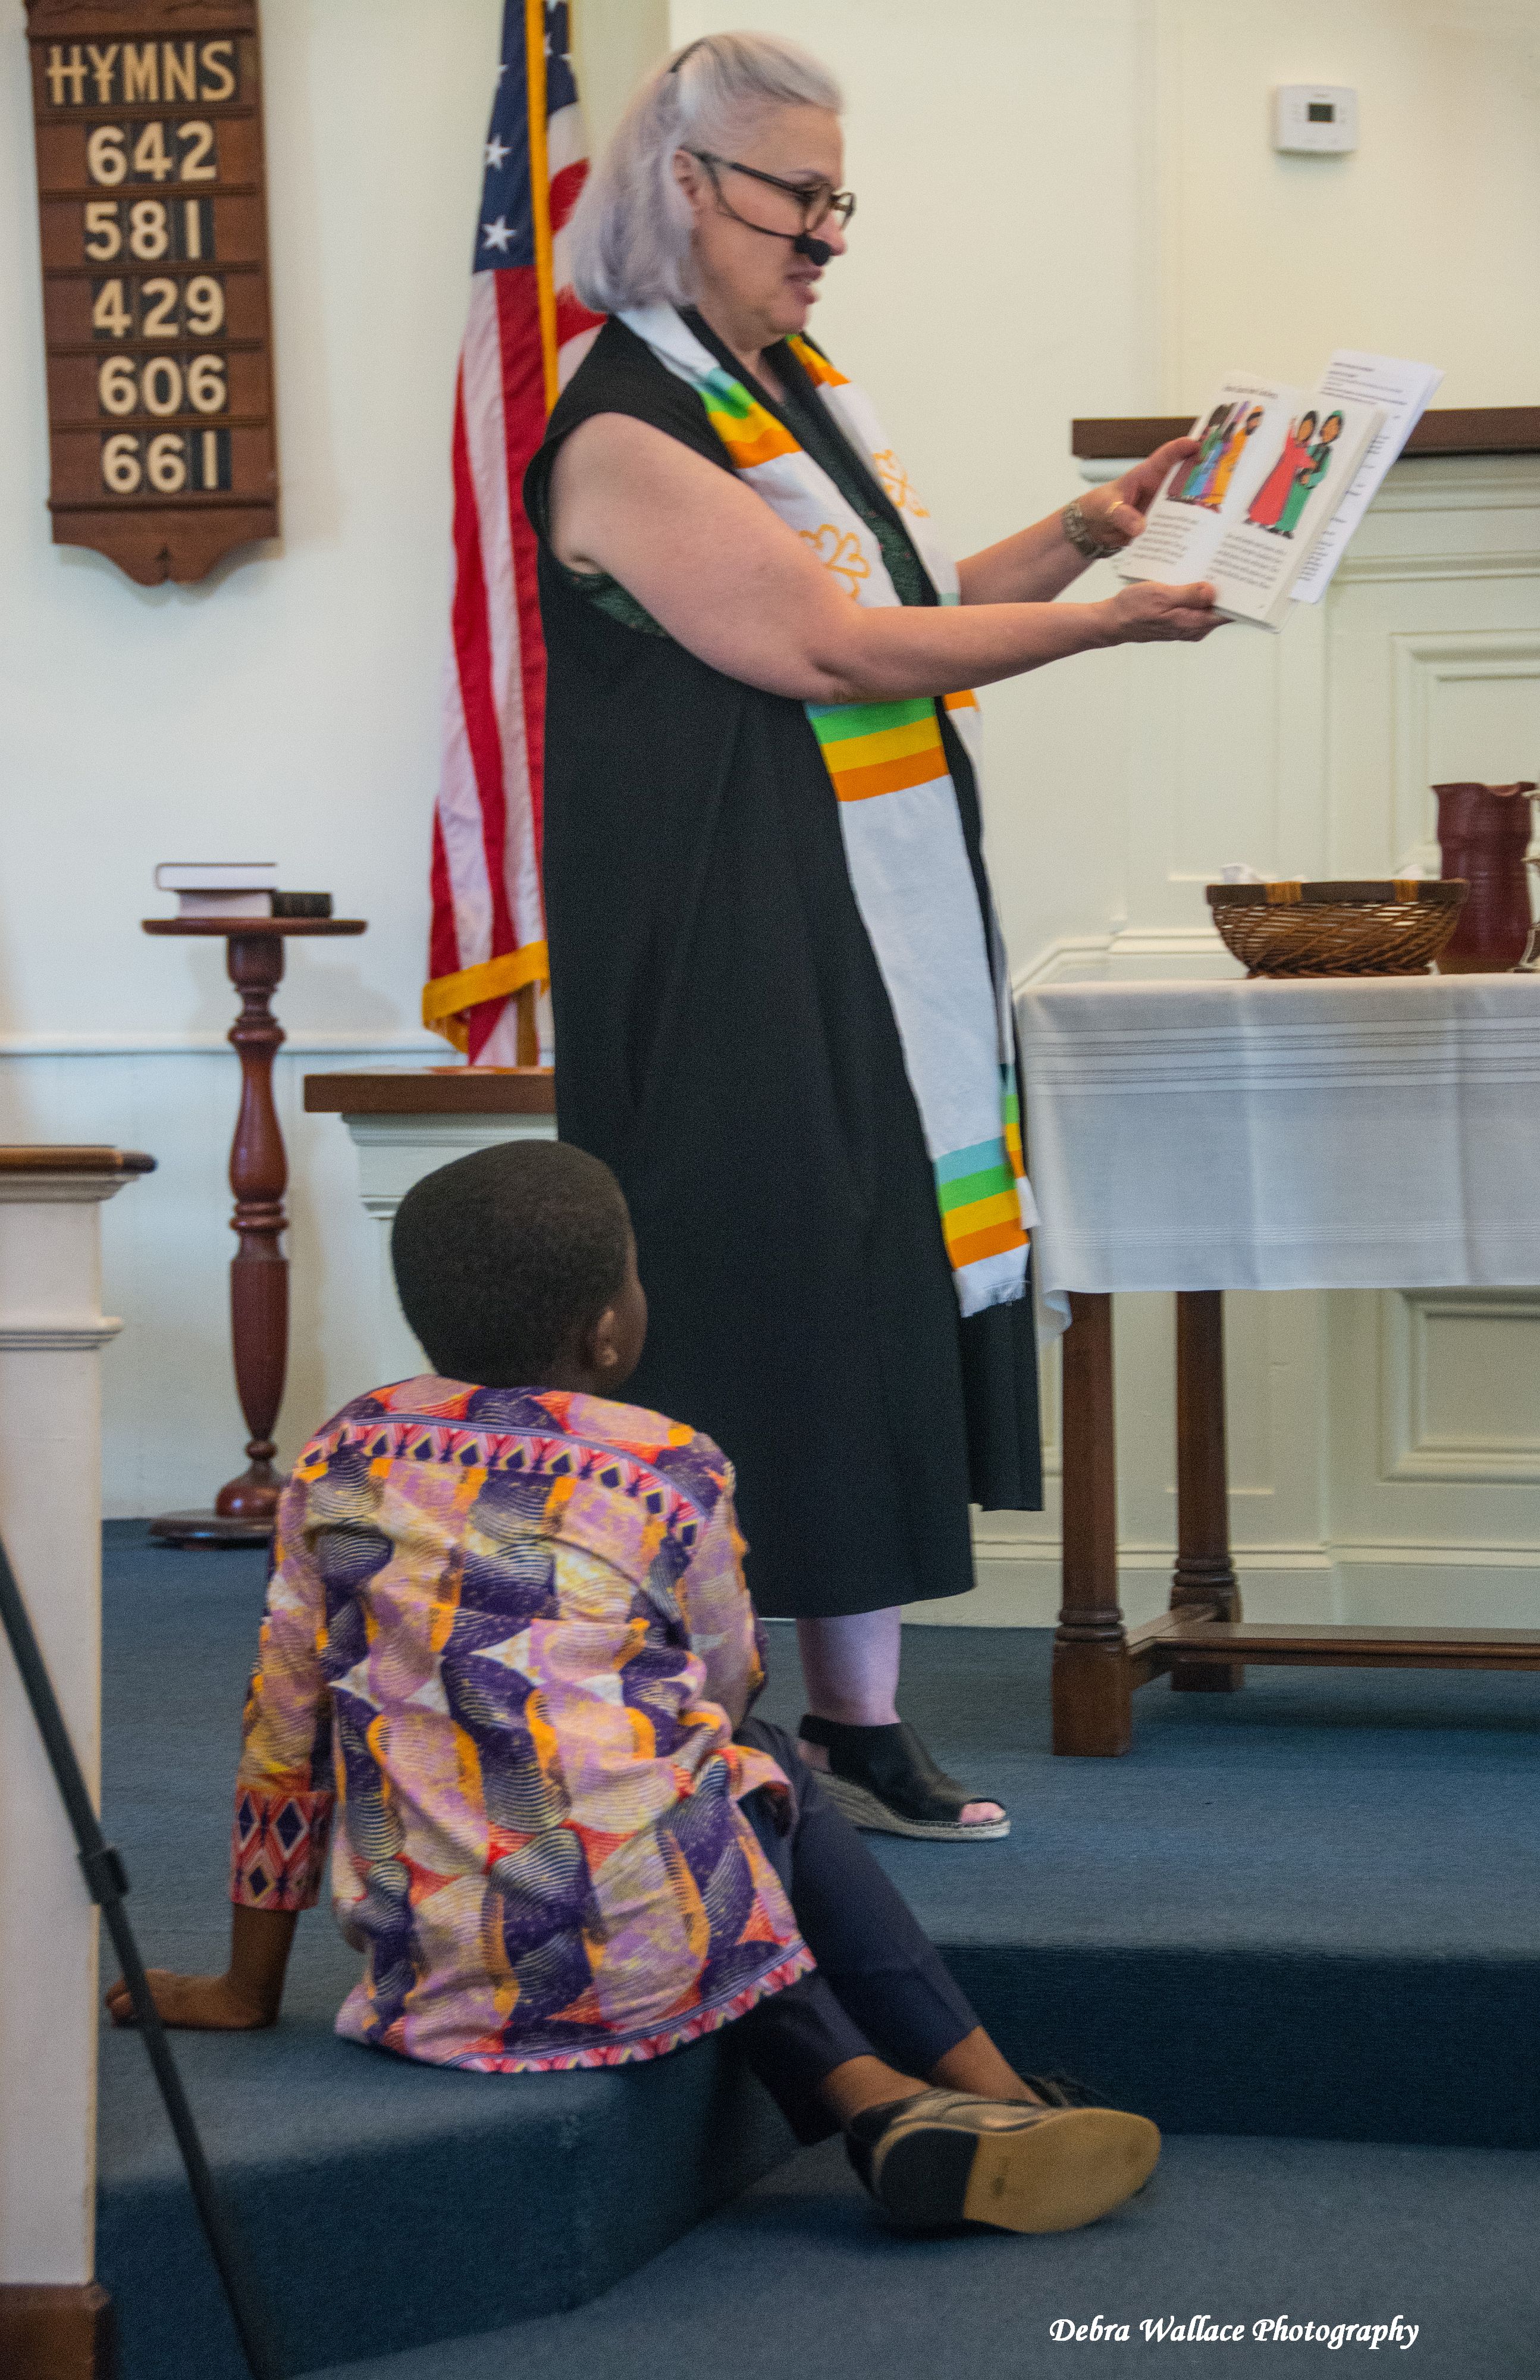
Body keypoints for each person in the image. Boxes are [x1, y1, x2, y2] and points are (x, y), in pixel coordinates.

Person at [531, 32, 1222, 1840]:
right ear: (685, 189)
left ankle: (853, 1723)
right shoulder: (624, 423)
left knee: (871, 1275)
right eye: (798, 200)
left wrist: (1085, 534)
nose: (828, 238)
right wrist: (1108, 631)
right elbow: (823, 654)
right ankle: (717, 1713)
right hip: (724, 930)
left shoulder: (799, 395)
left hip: (851, 910)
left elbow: (907, 606)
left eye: (840, 201)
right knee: (777, 1281)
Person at [107, 1141, 1160, 2238]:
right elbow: (727, 1673)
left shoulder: (339, 1457)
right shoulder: (666, 1467)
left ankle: (926, 2107)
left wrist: (243, 1989)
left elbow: (283, 1733)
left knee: (690, 1775)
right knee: (748, 1758)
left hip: (436, 1973)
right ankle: (945, 2091)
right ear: (609, 1329)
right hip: (648, 1954)